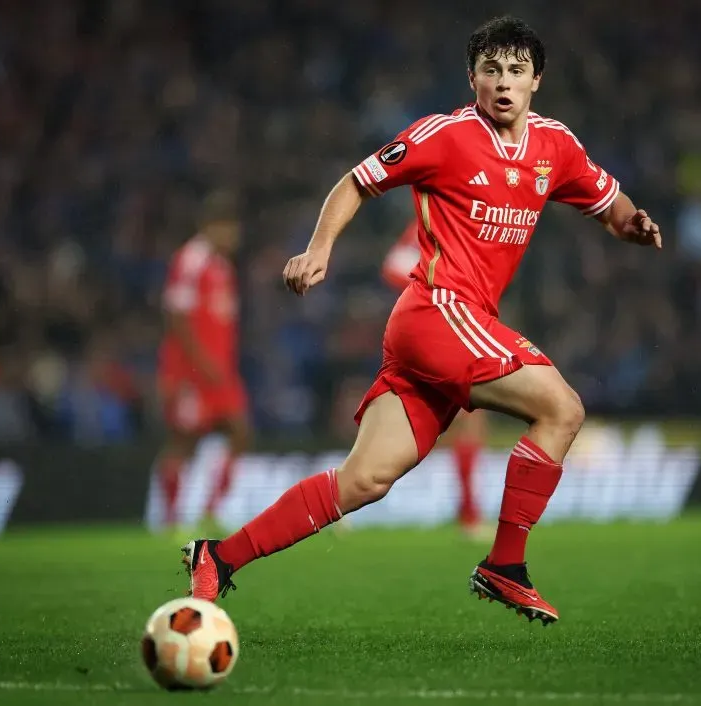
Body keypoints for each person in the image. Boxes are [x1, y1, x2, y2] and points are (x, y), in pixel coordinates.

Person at [182, 16, 661, 626]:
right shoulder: (444, 135)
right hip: (437, 311)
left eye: (517, 71)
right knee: (561, 408)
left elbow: (608, 204)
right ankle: (503, 565)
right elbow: (356, 181)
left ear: (537, 80)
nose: (504, 83)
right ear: (474, 79)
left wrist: (633, 224)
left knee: (363, 480)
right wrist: (320, 249)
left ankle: (218, 558)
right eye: (492, 71)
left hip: (454, 324)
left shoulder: (555, 147)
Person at [382, 218, 491, 540]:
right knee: (459, 418)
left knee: (464, 417)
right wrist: (433, 289)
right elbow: (392, 267)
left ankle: (469, 512)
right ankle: (469, 515)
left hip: (453, 326)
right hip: (432, 328)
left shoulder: (472, 219)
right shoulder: (433, 218)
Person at [154, 190, 251, 532]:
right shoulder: (190, 260)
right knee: (184, 440)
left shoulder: (223, 267)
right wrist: (198, 362)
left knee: (240, 432)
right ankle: (169, 518)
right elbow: (176, 315)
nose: (232, 236)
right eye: (226, 228)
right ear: (209, 227)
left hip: (219, 372)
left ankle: (211, 510)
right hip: (191, 372)